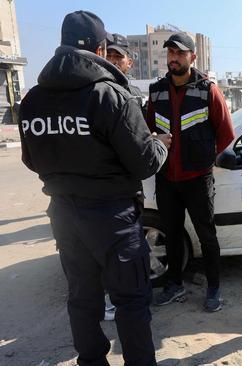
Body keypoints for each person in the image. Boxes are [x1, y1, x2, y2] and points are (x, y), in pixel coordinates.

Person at [19, 10, 170, 366]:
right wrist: (159, 143)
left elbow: (31, 160)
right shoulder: (110, 96)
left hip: (64, 213)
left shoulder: (33, 100)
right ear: (101, 50)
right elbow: (145, 162)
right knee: (131, 300)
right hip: (112, 217)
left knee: (82, 298)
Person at [147, 32, 235, 312]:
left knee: (206, 234)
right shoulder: (157, 90)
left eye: (180, 53)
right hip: (166, 179)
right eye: (170, 53)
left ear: (192, 57)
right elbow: (147, 131)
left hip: (197, 179)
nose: (173, 58)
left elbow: (225, 134)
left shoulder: (208, 90)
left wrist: (204, 158)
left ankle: (214, 288)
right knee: (171, 234)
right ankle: (174, 285)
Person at [104, 32, 145, 322]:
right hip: (106, 185)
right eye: (110, 56)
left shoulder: (132, 95)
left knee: (123, 251)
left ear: (129, 62)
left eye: (119, 57)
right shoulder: (98, 92)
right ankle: (109, 300)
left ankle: (120, 299)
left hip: (128, 183)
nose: (115, 61)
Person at [106, 33, 145, 108]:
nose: (112, 61)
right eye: (108, 55)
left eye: (118, 56)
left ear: (129, 63)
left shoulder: (135, 94)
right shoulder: (94, 91)